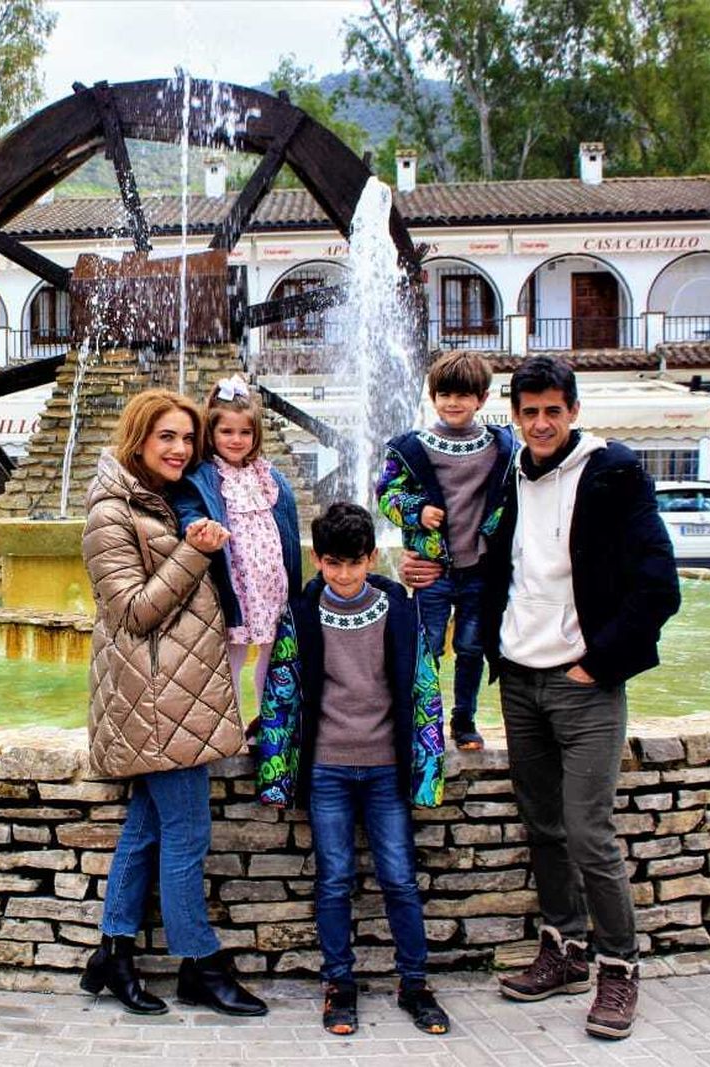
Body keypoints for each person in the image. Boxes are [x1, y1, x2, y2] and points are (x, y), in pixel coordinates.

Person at [402, 356, 680, 1042]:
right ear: (515, 415)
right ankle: (564, 947)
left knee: (588, 831)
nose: (541, 422)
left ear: (574, 410)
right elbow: (480, 554)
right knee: (544, 826)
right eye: (529, 412)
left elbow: (658, 585)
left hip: (585, 683)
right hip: (520, 680)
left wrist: (601, 661)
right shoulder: (511, 473)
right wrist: (419, 561)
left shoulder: (613, 472)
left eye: (553, 410)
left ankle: (619, 965)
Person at [79, 388, 267, 1018]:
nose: (182, 449)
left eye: (188, 438)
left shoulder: (157, 500)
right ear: (139, 438)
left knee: (146, 830)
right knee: (187, 833)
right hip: (157, 702)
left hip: (170, 697)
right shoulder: (109, 514)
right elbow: (132, 611)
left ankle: (113, 952)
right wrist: (195, 551)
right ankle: (202, 964)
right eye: (167, 437)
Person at [293, 502, 449, 1038]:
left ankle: (415, 983)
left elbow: (426, 688)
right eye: (333, 564)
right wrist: (276, 765)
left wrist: (429, 770)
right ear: (318, 559)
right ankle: (339, 984)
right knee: (334, 880)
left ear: (371, 558)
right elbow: (283, 691)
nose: (343, 575)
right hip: (327, 769)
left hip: (386, 769)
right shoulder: (301, 612)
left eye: (354, 563)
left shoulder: (398, 609)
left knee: (400, 880)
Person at [376, 349, 515, 751]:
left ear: (481, 399)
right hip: (432, 570)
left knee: (472, 647)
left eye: (463, 395)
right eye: (444, 394)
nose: (453, 403)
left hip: (478, 570)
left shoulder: (500, 447)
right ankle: (426, 717)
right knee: (429, 645)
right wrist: (417, 512)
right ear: (432, 396)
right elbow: (386, 493)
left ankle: (464, 719)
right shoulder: (413, 446)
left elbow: (510, 498)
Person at [170, 374, 303, 712]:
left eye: (245, 432)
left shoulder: (268, 476)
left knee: (274, 657)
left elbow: (287, 528)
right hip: (238, 584)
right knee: (235, 655)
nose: (236, 439)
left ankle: (268, 720)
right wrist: (194, 527)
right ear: (211, 434)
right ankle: (232, 723)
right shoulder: (205, 476)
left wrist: (294, 584)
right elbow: (187, 508)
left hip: (271, 584)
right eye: (227, 432)